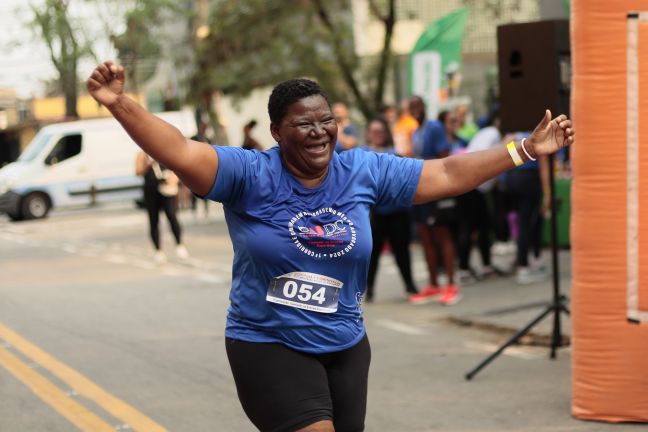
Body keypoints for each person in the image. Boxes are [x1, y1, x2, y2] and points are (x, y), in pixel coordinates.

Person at [87, 60, 573, 432]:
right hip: (267, 343)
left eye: (326, 121)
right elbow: (177, 148)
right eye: (303, 123)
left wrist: (524, 150)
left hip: (345, 345)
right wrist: (118, 102)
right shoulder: (251, 175)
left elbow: (444, 172)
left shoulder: (362, 171)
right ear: (277, 132)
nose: (319, 132)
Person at [407, 96, 461, 306]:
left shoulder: (435, 127)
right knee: (425, 238)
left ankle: (450, 284)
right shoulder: (415, 132)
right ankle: (433, 284)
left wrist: (443, 186)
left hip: (436, 189)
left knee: (442, 236)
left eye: (418, 106)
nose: (416, 110)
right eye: (412, 107)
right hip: (419, 189)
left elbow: (444, 157)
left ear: (425, 107)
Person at [363, 117, 418, 302]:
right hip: (375, 214)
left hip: (398, 212)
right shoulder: (362, 155)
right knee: (373, 253)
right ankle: (369, 288)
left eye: (380, 131)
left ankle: (410, 285)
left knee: (402, 251)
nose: (377, 134)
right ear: (369, 134)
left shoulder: (396, 153)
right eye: (374, 131)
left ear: (386, 133)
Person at [135, 150, 188, 263]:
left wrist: (173, 179)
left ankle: (179, 244)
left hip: (167, 189)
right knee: (153, 220)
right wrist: (149, 164)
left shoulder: (164, 151)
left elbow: (177, 168)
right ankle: (158, 250)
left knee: (172, 216)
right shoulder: (142, 154)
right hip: (151, 190)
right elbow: (138, 171)